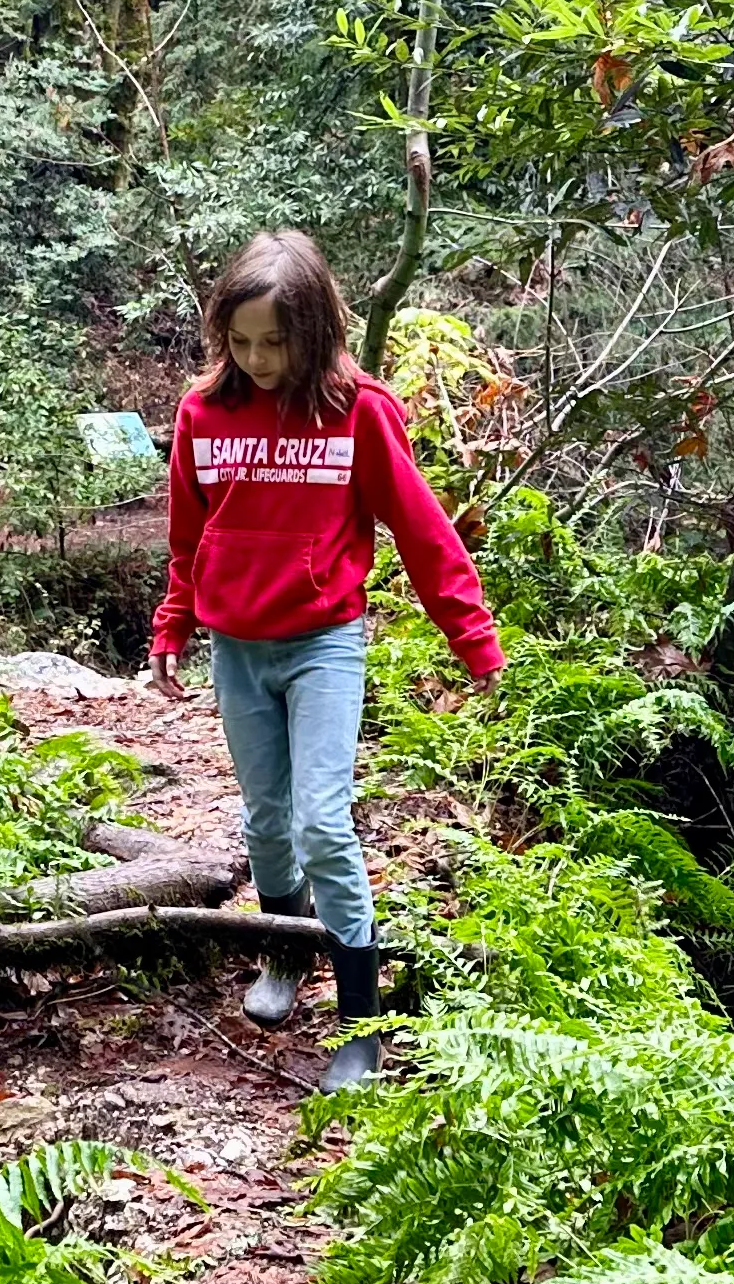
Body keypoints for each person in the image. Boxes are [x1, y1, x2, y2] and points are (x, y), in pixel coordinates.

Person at [144, 229, 501, 1086]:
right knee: (265, 822)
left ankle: (361, 1019)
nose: (259, 359)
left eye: (276, 341)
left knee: (322, 824)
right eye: (241, 342)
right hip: (238, 648)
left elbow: (423, 532)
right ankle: (283, 954)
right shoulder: (204, 414)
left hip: (323, 645)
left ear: (314, 330)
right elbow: (190, 537)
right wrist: (173, 625)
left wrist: (473, 640)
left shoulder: (358, 413)